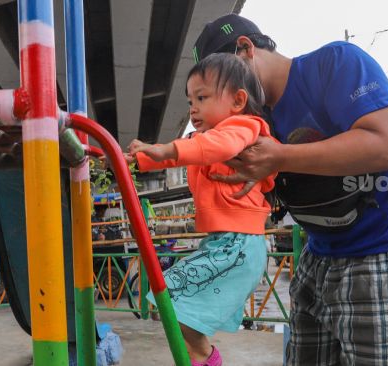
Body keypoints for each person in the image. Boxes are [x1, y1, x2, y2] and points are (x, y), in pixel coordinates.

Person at [192, 14, 388, 365]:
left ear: (246, 50)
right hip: (319, 250)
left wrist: (280, 156)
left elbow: (387, 146)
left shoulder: (337, 64)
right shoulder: (255, 122)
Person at [125, 53, 276, 366]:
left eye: (202, 97)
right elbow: (180, 156)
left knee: (169, 300)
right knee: (172, 308)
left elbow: (214, 148)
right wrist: (135, 160)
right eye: (190, 99)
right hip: (225, 242)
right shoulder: (203, 138)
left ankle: (207, 358)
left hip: (240, 244)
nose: (193, 107)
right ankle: (201, 357)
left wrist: (166, 147)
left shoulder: (245, 128)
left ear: (237, 100)